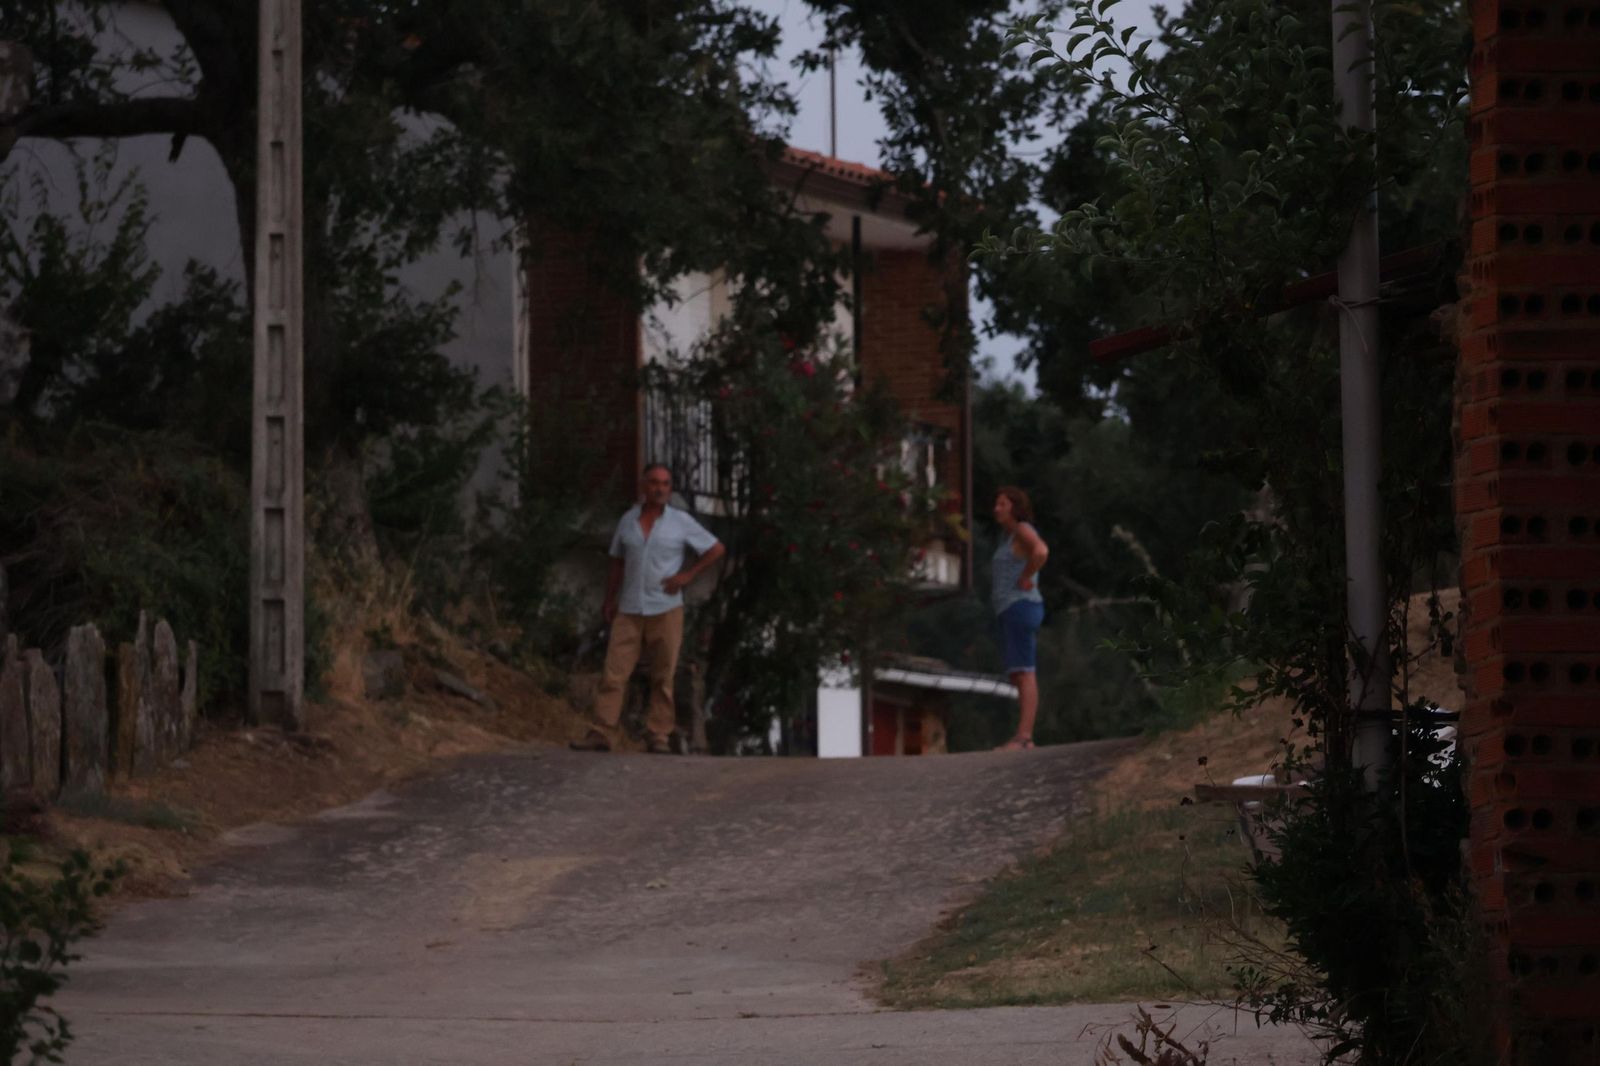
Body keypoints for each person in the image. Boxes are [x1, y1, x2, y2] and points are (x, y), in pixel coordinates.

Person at [570, 464, 725, 754]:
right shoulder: (627, 521)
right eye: (654, 483)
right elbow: (617, 560)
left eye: (665, 484)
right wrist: (609, 599)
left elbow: (716, 549)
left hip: (665, 608)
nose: (659, 489)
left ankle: (659, 735)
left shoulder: (680, 521)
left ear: (669, 489)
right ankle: (601, 732)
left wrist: (687, 576)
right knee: (614, 672)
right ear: (643, 485)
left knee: (662, 674)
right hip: (629, 608)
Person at [991, 485, 1048, 751]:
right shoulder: (1008, 536)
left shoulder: (1022, 530)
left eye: (1002, 504)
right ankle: (1023, 735)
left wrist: (1026, 576)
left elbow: (1040, 551)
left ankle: (1024, 737)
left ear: (1015, 507)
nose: (997, 509)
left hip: (1021, 605)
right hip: (1011, 609)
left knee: (1025, 672)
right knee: (1018, 673)